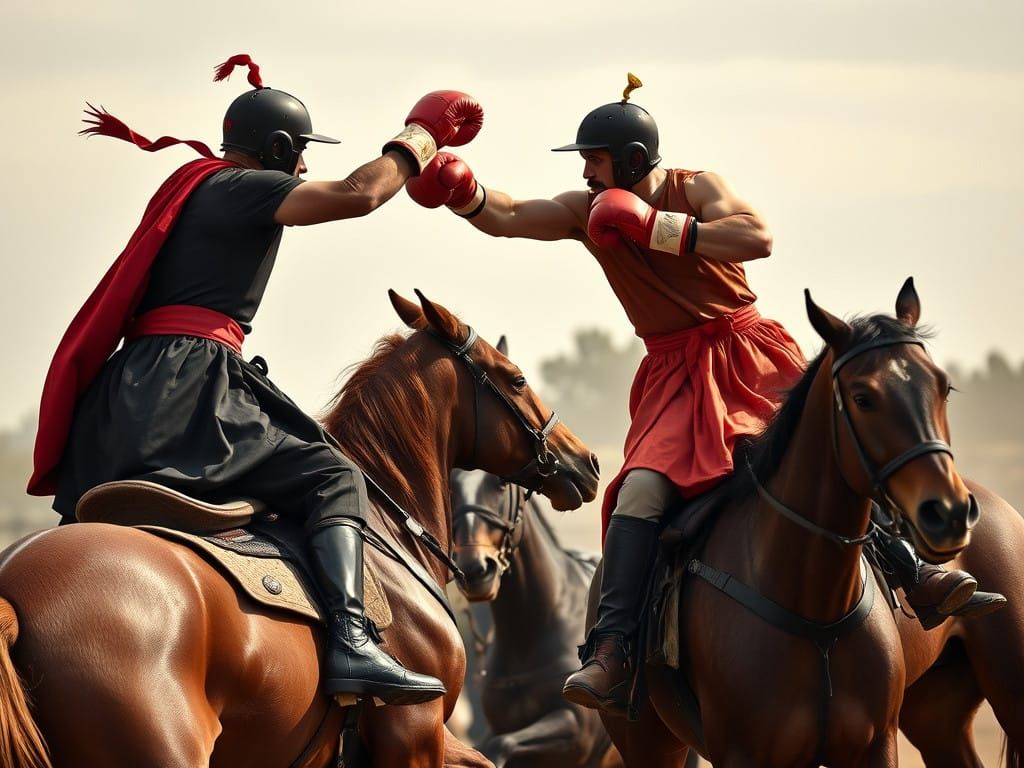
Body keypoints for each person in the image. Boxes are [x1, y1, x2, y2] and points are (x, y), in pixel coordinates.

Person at [403, 75, 1005, 714]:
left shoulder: (697, 187)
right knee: (639, 492)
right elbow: (513, 217)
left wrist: (664, 228)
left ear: (634, 161)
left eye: (594, 159)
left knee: (829, 463)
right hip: (673, 376)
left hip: (747, 355)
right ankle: (613, 652)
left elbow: (759, 236)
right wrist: (462, 192)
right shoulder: (589, 212)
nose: (585, 171)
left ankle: (917, 574)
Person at [27, 54, 484, 708]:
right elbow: (360, 194)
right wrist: (417, 138)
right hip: (187, 388)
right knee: (334, 477)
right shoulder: (241, 186)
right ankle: (354, 643)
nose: (301, 170)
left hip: (125, 396)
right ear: (275, 149)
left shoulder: (200, 185)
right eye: (297, 156)